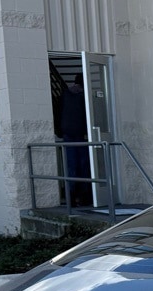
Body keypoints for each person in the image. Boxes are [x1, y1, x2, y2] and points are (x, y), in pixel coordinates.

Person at [60, 74, 91, 206]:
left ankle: (71, 197)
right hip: (80, 133)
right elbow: (87, 114)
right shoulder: (84, 95)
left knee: (71, 165)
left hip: (67, 133)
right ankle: (84, 196)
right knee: (84, 165)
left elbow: (60, 111)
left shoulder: (65, 94)